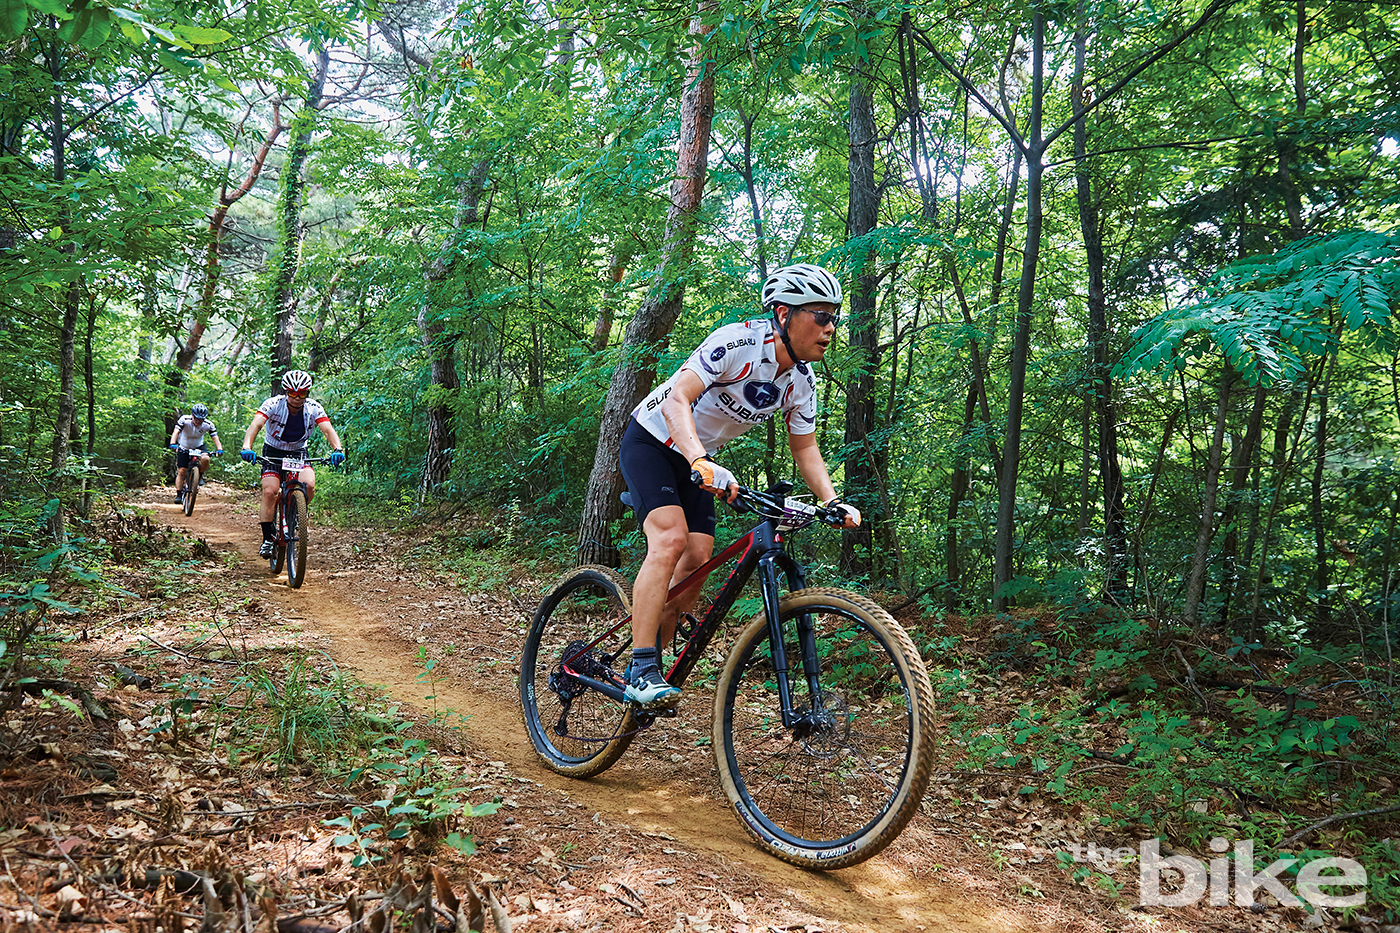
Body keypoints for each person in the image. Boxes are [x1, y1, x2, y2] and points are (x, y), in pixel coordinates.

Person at [618, 262, 861, 708]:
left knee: (698, 558)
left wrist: (831, 500)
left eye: (835, 317)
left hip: (698, 457)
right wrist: (699, 459)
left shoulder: (801, 382)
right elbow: (677, 400)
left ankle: (650, 667)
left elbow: (805, 448)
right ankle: (640, 666)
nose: (831, 327)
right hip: (653, 440)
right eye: (821, 316)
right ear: (784, 314)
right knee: (670, 540)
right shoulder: (736, 342)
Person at [239, 370, 346, 559]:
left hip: (298, 452)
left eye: (302, 393)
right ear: (286, 392)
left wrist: (338, 449)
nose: (297, 398)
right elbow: (256, 425)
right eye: (293, 393)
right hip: (273, 451)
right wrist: (247, 447)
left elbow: (328, 430)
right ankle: (267, 538)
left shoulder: (313, 408)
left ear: (307, 393)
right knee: (270, 491)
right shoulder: (273, 404)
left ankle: (297, 512)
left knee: (309, 485)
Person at [169, 403, 224, 501]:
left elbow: (215, 437)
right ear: (192, 415)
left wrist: (219, 449)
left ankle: (199, 476)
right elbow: (176, 432)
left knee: (206, 458)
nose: (198, 421)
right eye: (196, 418)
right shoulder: (184, 420)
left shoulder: (208, 424)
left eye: (201, 419)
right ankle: (179, 494)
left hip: (199, 446)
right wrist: (173, 443)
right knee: (182, 471)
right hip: (184, 446)